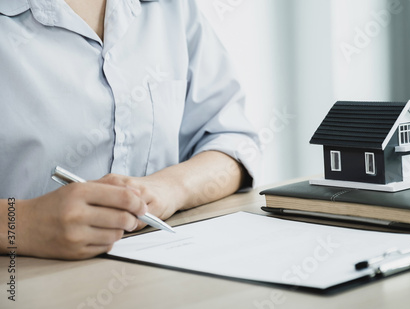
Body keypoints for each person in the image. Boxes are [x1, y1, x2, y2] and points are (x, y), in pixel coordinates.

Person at [0, 0, 260, 260]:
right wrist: (22, 224)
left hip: (157, 275)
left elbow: (234, 142)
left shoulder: (172, 8)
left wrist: (171, 187)